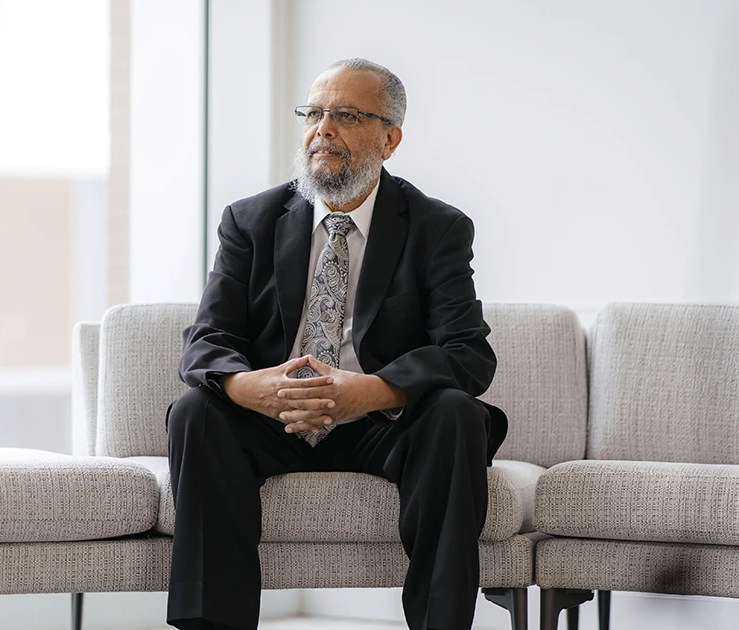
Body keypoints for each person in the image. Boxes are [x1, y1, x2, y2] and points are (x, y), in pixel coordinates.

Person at [164, 58, 509, 630]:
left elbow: (467, 353)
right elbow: (207, 339)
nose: (323, 129)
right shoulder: (250, 221)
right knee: (196, 410)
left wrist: (372, 390)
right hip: (275, 419)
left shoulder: (436, 228)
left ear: (390, 139)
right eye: (315, 113)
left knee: (455, 413)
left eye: (346, 115)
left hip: (381, 424)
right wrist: (251, 386)